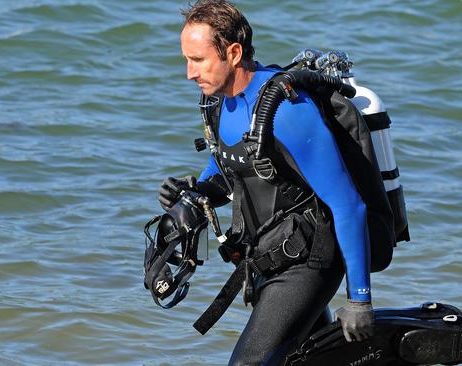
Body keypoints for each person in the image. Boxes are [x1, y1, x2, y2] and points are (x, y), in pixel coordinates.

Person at [158, 0, 374, 364]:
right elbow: (229, 170)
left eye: (198, 60)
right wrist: (193, 195)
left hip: (309, 261)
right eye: (186, 60)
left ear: (233, 52)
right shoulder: (218, 104)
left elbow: (348, 204)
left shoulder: (288, 111)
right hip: (266, 257)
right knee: (305, 359)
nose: (189, 73)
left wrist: (359, 300)